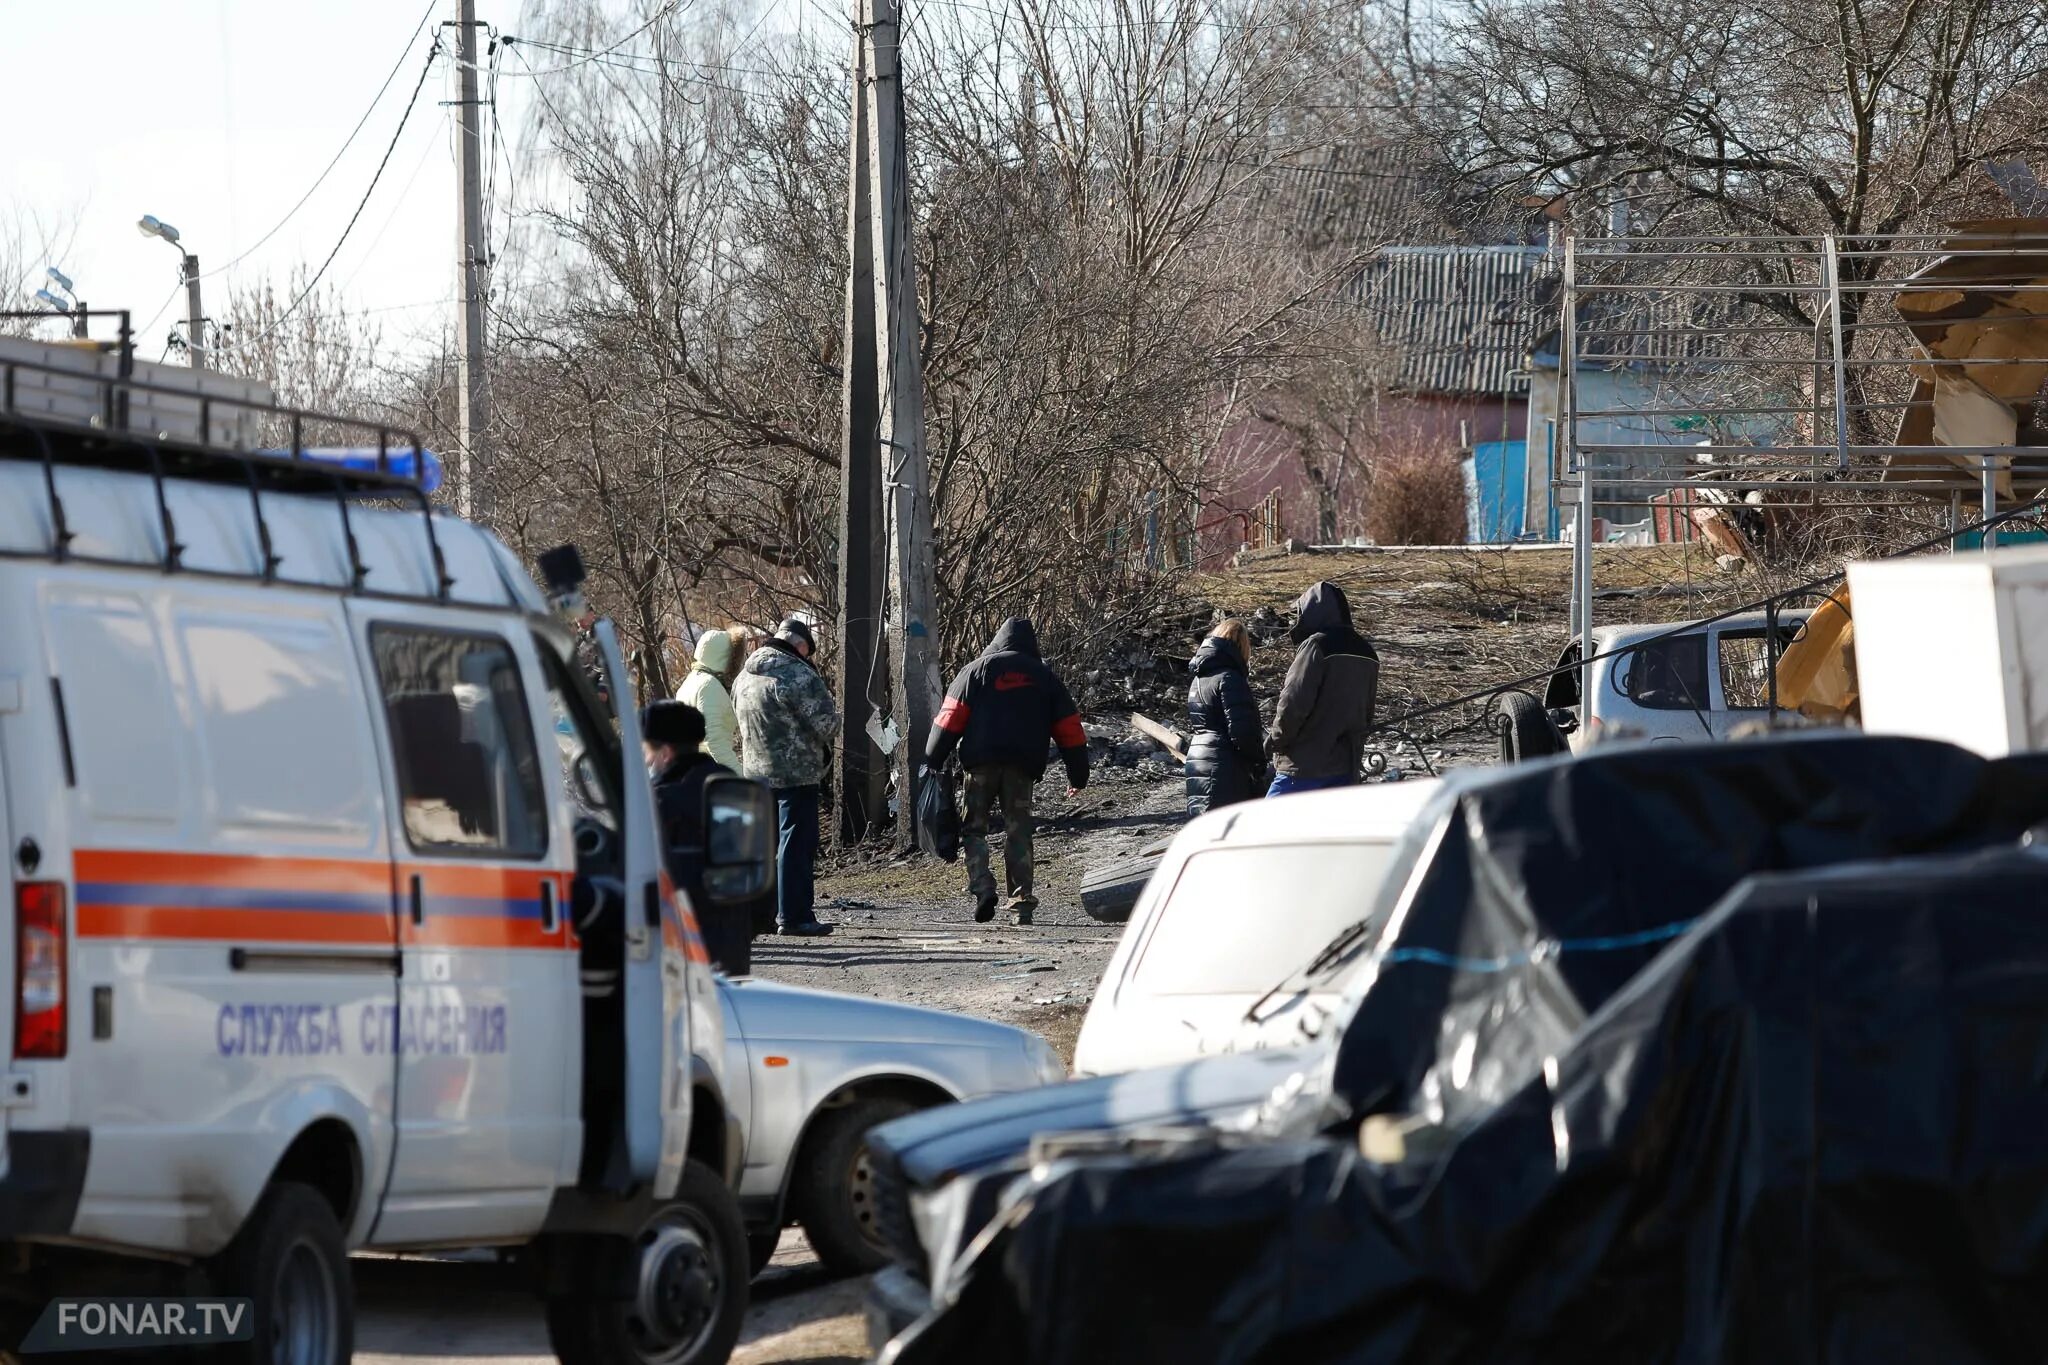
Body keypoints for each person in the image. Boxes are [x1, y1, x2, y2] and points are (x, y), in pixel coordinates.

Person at [925, 618, 1089, 926]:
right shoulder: (1045, 677)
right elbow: (1070, 731)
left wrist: (932, 759)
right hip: (1022, 769)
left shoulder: (975, 671)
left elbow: (948, 719)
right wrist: (1078, 775)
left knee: (973, 829)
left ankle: (983, 885)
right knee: (1019, 831)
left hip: (980, 765)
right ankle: (1021, 903)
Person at [732, 617, 837, 937]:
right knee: (796, 845)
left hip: (755, 773)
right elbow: (827, 725)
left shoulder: (743, 676)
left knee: (765, 846)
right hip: (796, 774)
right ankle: (794, 916)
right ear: (801, 646)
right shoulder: (799, 674)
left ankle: (760, 916)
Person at [641, 700, 753, 973]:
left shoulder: (659, 801)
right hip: (732, 942)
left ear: (665, 753)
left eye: (646, 751)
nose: (644, 760)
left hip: (675, 948)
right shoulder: (732, 787)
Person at [1267, 581, 1379, 796]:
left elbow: (1293, 700)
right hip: (1346, 766)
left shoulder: (1316, 645)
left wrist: (1276, 741)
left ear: (1311, 611)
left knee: (1265, 826)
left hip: (1303, 767)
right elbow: (1367, 714)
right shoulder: (1368, 651)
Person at [1185, 619, 1266, 816]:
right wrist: (1259, 761)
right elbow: (1242, 730)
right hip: (1224, 764)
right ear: (1242, 646)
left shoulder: (1198, 679)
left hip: (1197, 756)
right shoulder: (1230, 678)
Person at [675, 627, 742, 772]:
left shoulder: (689, 682)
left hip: (695, 771)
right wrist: (740, 776)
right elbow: (714, 740)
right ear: (724, 657)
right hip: (711, 772)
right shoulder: (709, 686)